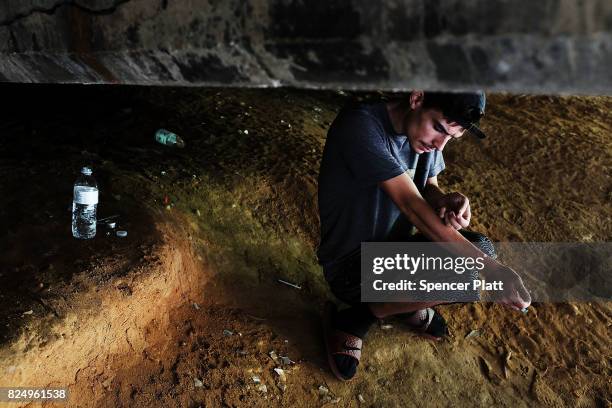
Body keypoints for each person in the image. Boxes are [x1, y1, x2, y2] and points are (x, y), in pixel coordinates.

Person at [317, 90, 531, 381]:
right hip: (352, 267)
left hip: (393, 253)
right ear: (416, 98)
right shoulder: (361, 126)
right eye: (439, 129)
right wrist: (491, 270)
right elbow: (411, 205)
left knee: (481, 249)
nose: (439, 145)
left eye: (450, 139)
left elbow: (427, 186)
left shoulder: (425, 137)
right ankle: (355, 318)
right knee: (468, 272)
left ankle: (403, 303)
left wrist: (443, 199)